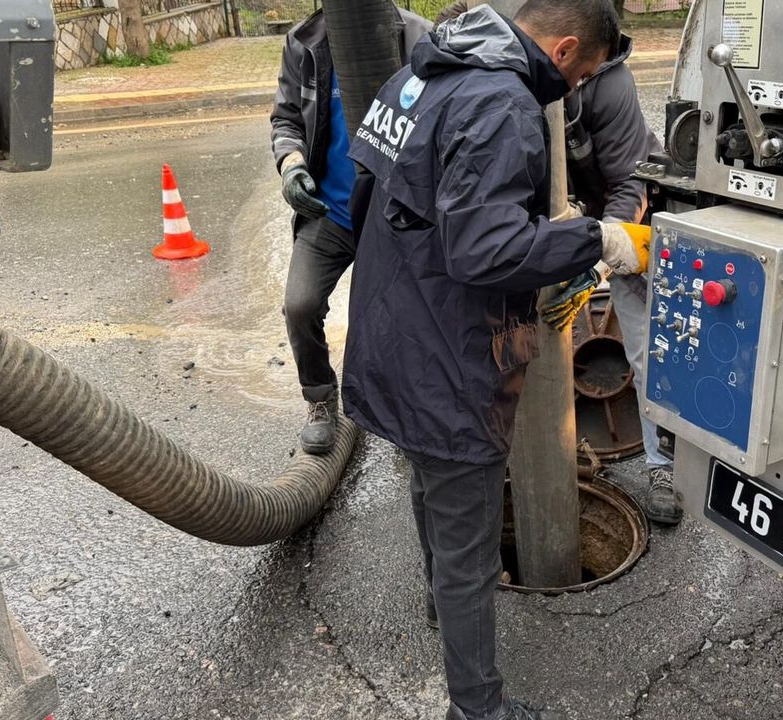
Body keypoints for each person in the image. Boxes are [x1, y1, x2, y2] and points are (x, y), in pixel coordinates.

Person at [342, 3, 646, 719]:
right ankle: (477, 707)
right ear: (566, 47)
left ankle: (439, 604)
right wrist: (596, 241)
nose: (576, 88)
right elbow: (486, 251)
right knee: (470, 548)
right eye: (583, 74)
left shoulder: (423, 72)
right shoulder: (505, 103)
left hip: (391, 324)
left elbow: (363, 194)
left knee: (428, 479)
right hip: (447, 353)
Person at [437, 1, 681, 526]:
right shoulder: (497, 72)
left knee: (646, 352)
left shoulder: (606, 84)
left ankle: (664, 464)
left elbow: (629, 181)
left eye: (582, 74)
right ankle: (522, 457)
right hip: (562, 228)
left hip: (626, 226)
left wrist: (599, 261)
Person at [268, 5, 430, 454]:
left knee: (404, 318)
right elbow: (286, 119)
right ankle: (320, 398)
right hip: (332, 211)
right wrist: (291, 165)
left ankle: (404, 409)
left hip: (397, 216)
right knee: (300, 305)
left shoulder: (418, 39)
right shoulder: (305, 44)